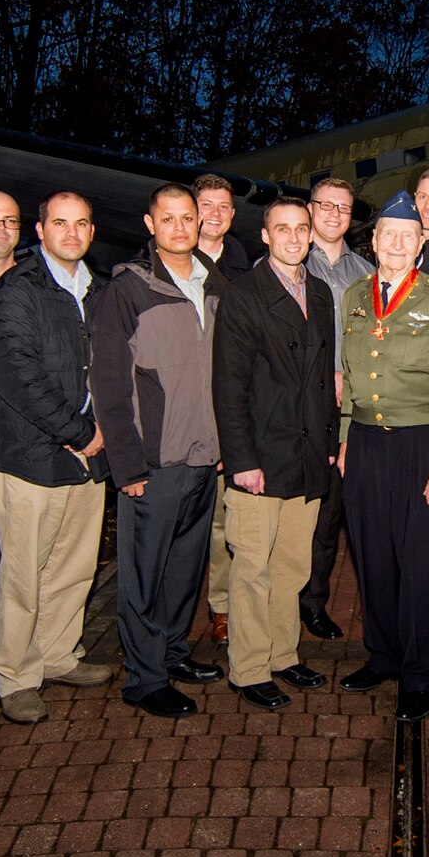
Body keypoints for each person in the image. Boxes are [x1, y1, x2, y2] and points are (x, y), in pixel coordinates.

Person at [337, 191, 429, 722]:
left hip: (422, 443)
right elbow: (348, 379)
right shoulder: (352, 295)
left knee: (419, 562)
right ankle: (383, 656)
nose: (396, 243)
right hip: (367, 443)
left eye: (407, 236)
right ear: (372, 242)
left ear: (420, 244)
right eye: (387, 235)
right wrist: (347, 437)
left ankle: (420, 674)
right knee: (372, 557)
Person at [0, 191, 115, 726]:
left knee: (74, 566)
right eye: (60, 223)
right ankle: (16, 677)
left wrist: (107, 434)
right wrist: (79, 432)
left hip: (89, 457)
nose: (72, 233)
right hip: (33, 457)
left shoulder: (100, 293)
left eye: (82, 223)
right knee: (24, 574)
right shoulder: (15, 292)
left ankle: (60, 655)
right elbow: (17, 375)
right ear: (40, 231)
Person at [94, 183, 227, 718]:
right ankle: (143, 677)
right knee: (144, 571)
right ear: (150, 224)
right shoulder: (128, 289)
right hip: (154, 458)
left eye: (188, 218)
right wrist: (126, 463)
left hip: (203, 454)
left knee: (184, 567)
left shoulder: (213, 284)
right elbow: (109, 381)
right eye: (168, 218)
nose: (180, 227)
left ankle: (172, 652)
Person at [211, 198, 339, 710]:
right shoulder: (244, 296)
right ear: (264, 236)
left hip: (308, 457)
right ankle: (248, 668)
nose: (292, 237)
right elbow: (228, 386)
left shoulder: (323, 293)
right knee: (252, 570)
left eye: (300, 229)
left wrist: (329, 447)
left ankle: (284, 655)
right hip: (260, 458)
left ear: (310, 235)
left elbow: (327, 381)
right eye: (281, 229)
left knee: (291, 568)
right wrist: (242, 461)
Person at [300, 177, 375, 641]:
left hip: (349, 409)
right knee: (293, 509)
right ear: (310, 209)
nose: (333, 214)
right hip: (296, 407)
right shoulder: (287, 260)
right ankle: (276, 602)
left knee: (331, 513)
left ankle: (313, 602)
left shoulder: (366, 272)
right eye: (324, 205)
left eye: (343, 208)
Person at [191, 173, 250, 646]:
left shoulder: (243, 269)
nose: (215, 214)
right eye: (206, 205)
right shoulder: (164, 263)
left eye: (223, 206)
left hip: (226, 409)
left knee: (223, 523)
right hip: (181, 416)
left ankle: (223, 606)